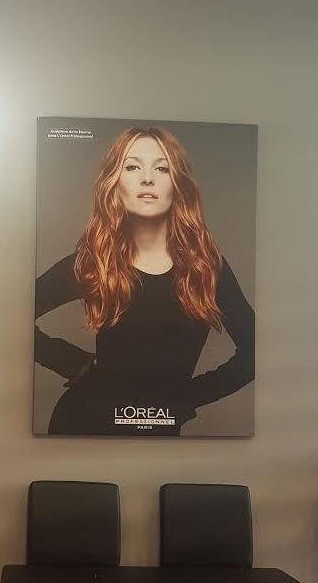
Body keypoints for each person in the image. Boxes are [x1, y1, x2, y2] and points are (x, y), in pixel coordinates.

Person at [34, 126, 254, 436]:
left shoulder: (206, 268)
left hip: (159, 433)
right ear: (115, 182)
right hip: (83, 426)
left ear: (178, 184)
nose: (147, 178)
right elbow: (13, 317)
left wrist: (190, 397)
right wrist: (70, 362)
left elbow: (254, 353)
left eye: (161, 168)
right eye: (133, 167)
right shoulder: (96, 262)